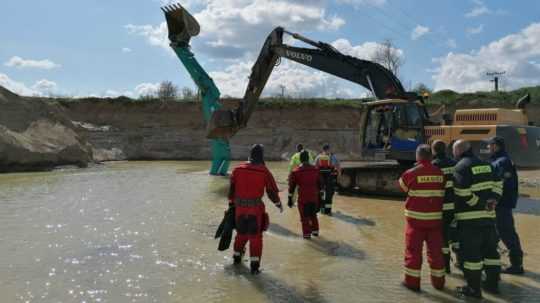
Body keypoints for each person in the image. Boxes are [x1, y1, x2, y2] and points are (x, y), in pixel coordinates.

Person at [453, 140, 501, 298]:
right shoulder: (488, 164)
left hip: (470, 221)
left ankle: (474, 290)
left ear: (459, 151)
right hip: (489, 218)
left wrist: (478, 204)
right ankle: (493, 286)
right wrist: (493, 200)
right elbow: (499, 183)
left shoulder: (461, 167)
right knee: (491, 253)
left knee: (472, 256)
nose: (453, 154)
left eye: (454, 151)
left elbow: (462, 192)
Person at [228, 144, 283, 274]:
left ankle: (236, 260)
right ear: (261, 156)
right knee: (256, 238)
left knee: (240, 235)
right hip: (255, 210)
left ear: (250, 155)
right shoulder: (264, 171)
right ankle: (254, 267)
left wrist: (231, 206)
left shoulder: (237, 169)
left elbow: (231, 192)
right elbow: (271, 192)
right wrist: (278, 204)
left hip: (240, 209)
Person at [398, 144, 446, 292]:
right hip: (435, 222)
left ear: (418, 156)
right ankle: (438, 284)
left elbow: (403, 188)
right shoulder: (440, 173)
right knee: (436, 253)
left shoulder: (410, 173)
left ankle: (412, 284)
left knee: (413, 252)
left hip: (415, 222)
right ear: (431, 156)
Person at [488, 136, 524, 275]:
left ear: (496, 146)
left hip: (502, 204)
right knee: (497, 233)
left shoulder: (502, 162)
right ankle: (497, 262)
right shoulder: (501, 160)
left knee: (507, 232)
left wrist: (494, 200)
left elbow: (502, 183)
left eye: (490, 145)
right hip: (502, 204)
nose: (488, 148)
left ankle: (516, 265)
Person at [431, 140, 457, 273]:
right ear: (446, 149)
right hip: (457, 207)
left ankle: (446, 267)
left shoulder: (434, 166)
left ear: (433, 151)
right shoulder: (455, 163)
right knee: (457, 236)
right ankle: (461, 262)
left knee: (443, 238)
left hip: (442, 208)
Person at [288, 150, 322, 239]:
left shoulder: (296, 171)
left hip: (303, 199)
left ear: (300, 159)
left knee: (304, 218)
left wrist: (289, 199)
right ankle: (315, 233)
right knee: (314, 215)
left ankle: (307, 237)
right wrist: (321, 198)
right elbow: (321, 185)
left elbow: (291, 187)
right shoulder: (315, 169)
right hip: (314, 197)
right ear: (308, 158)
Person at [315, 144, 341, 215]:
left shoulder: (318, 157)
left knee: (321, 193)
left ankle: (322, 209)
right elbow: (338, 167)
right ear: (329, 149)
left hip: (320, 179)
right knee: (329, 194)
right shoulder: (333, 157)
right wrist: (339, 176)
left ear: (323, 150)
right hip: (330, 178)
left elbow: (315, 168)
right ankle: (328, 211)